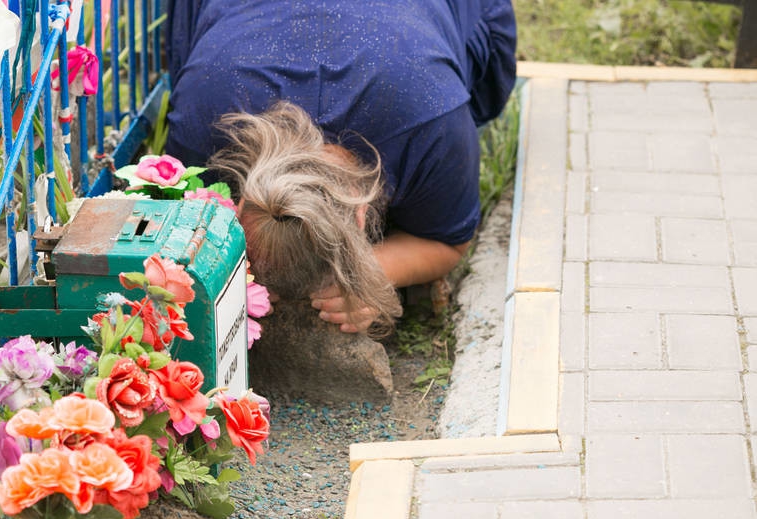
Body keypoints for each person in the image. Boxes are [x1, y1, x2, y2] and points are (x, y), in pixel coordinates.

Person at [164, 0, 517, 334]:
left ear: (362, 213)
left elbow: (450, 240)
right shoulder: (204, 119)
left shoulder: (434, 125)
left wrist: (376, 271)